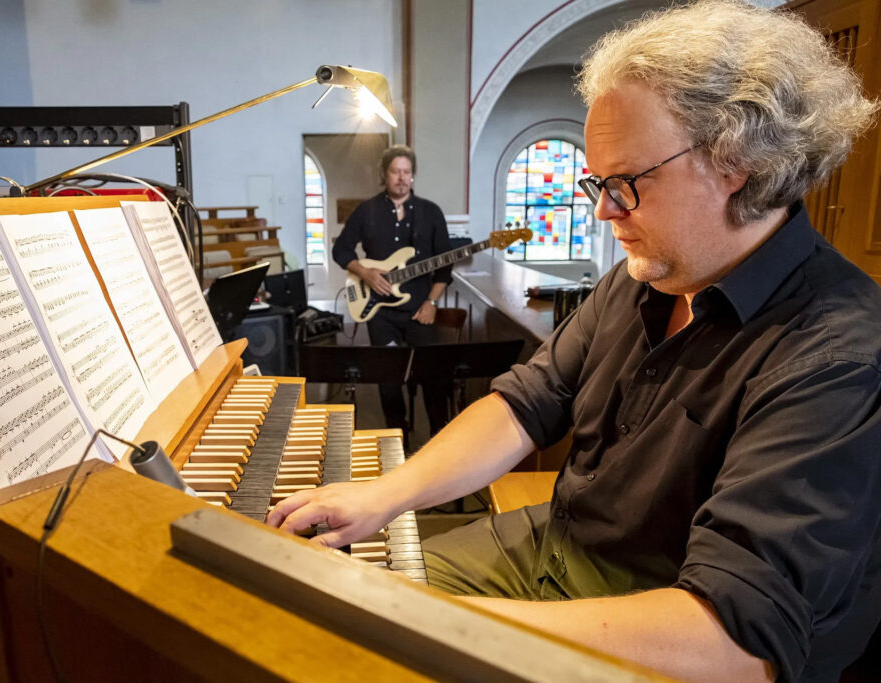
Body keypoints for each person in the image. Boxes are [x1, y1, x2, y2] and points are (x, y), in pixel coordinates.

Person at [270, 1, 881, 680]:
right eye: (597, 182)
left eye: (625, 182)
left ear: (735, 162)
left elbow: (734, 643)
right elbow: (525, 404)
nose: (602, 210)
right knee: (314, 622)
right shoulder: (642, 277)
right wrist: (383, 495)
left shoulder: (837, 352)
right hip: (550, 547)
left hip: (653, 632)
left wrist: (429, 620)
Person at [332, 145, 453, 437]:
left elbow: (444, 268)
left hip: (420, 310)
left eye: (406, 172)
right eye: (395, 171)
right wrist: (365, 273)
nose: (401, 178)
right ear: (384, 174)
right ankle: (397, 439)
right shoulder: (367, 211)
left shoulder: (430, 212)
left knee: (434, 377)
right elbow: (341, 250)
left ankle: (440, 440)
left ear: (413, 176)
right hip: (380, 312)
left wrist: (431, 303)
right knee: (388, 379)